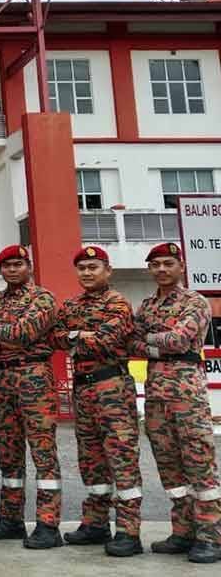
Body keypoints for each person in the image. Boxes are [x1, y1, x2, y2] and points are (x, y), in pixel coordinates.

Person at [128, 242, 220, 564]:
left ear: (180, 266)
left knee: (199, 463)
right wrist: (158, 341)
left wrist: (151, 340)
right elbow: (131, 342)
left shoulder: (195, 302)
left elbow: (179, 340)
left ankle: (211, 536)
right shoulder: (148, 305)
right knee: (170, 467)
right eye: (156, 265)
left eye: (168, 263)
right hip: (155, 395)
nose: (162, 269)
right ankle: (183, 532)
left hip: (186, 394)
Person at [50, 246, 142, 557]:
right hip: (83, 389)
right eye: (82, 268)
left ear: (108, 270)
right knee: (90, 458)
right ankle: (96, 523)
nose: (87, 273)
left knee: (121, 457)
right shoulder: (71, 304)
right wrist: (80, 335)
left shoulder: (118, 303)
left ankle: (129, 531)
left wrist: (74, 336)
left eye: (94, 267)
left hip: (111, 385)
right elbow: (54, 337)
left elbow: (107, 339)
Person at [0, 244, 62, 549]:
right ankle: (11, 519)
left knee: (42, 451)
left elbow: (28, 329)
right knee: (8, 451)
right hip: (4, 378)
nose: (12, 270)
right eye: (6, 265)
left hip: (35, 376)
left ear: (29, 266)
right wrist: (3, 334)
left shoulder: (42, 297)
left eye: (17, 264)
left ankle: (48, 524)